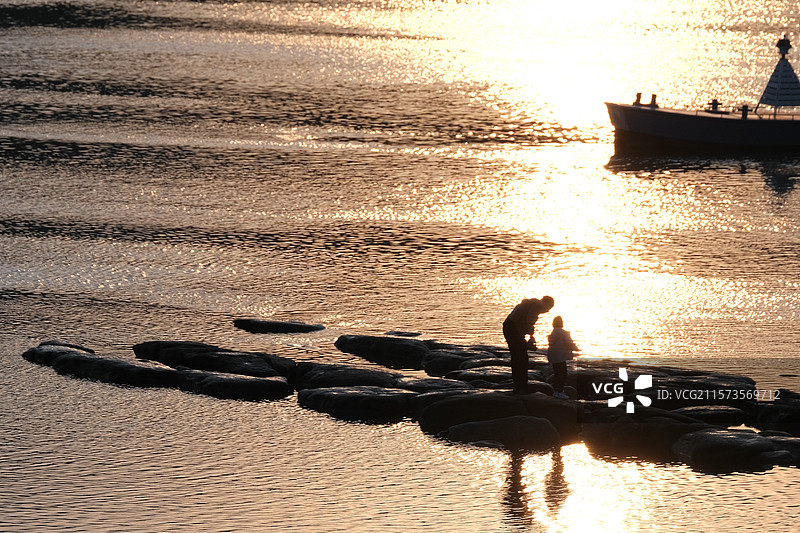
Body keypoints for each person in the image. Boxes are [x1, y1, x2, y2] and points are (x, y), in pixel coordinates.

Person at [503, 295, 554, 394]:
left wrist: (529, 337)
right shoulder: (538, 305)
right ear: (547, 304)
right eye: (549, 308)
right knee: (522, 359)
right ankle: (521, 386)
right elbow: (529, 321)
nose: (547, 311)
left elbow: (522, 322)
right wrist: (531, 336)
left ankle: (518, 385)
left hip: (508, 328)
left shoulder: (529, 303)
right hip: (513, 330)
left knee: (517, 358)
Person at [547, 315, 579, 399]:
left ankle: (556, 390)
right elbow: (569, 343)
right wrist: (576, 348)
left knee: (557, 373)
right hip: (560, 356)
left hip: (553, 355)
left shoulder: (553, 333)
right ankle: (559, 391)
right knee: (563, 374)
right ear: (562, 323)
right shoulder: (564, 333)